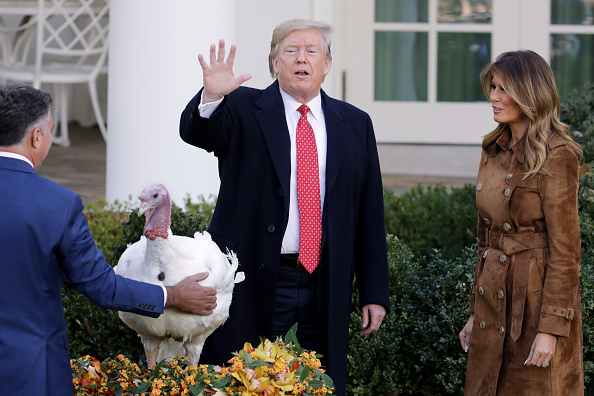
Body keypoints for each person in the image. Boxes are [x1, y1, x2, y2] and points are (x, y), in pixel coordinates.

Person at [179, 19, 390, 396]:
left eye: (312, 51)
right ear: (274, 63)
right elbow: (198, 133)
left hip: (323, 286)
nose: (301, 59)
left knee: (316, 384)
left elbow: (369, 214)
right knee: (242, 380)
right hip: (253, 280)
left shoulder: (355, 123)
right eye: (290, 51)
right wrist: (211, 98)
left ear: (326, 64)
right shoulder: (243, 106)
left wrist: (374, 291)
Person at [0, 83, 218, 396]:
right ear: (36, 137)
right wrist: (173, 296)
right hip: (31, 372)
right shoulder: (58, 204)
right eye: (49, 130)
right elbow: (101, 286)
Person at [458, 50, 584, 394]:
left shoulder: (558, 154)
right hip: (492, 302)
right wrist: (475, 313)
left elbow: (566, 251)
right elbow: (487, 239)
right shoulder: (493, 147)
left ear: (530, 94)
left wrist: (551, 329)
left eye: (503, 89)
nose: (493, 97)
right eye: (493, 87)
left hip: (536, 303)